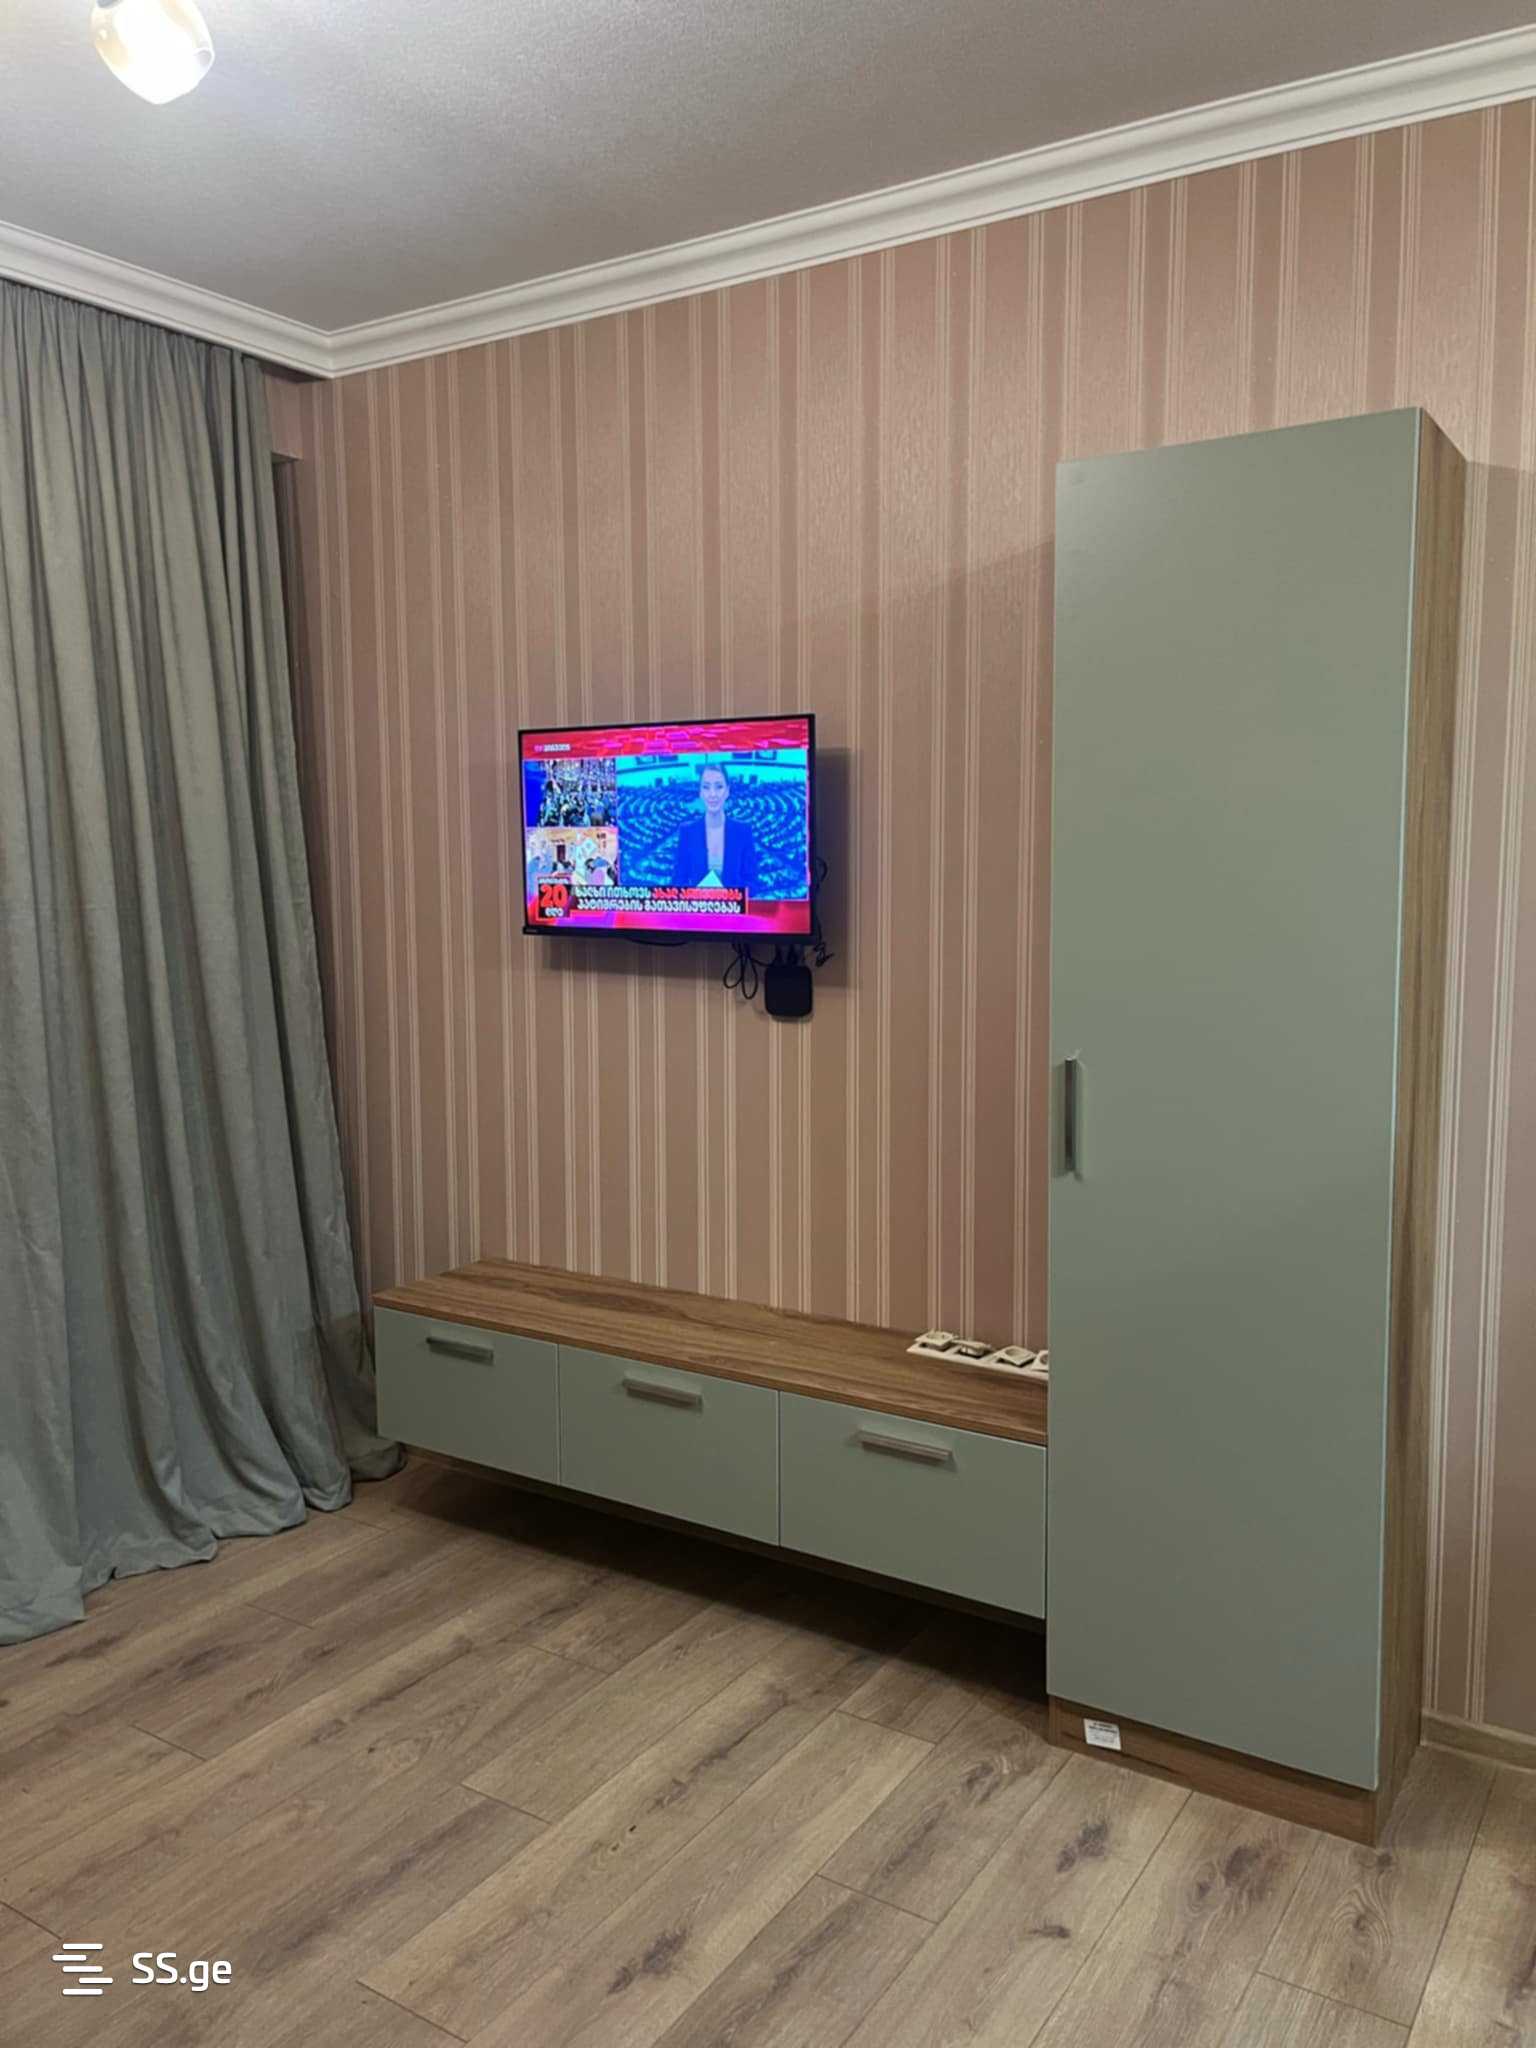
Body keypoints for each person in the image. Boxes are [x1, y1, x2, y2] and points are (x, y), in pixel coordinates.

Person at [670, 763, 757, 896]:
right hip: (697, 908)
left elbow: (753, 883)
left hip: (733, 908)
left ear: (727, 791)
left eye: (719, 787)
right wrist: (694, 896)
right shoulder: (687, 832)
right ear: (700, 792)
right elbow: (678, 882)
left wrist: (728, 896)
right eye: (706, 787)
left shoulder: (743, 831)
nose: (712, 794)